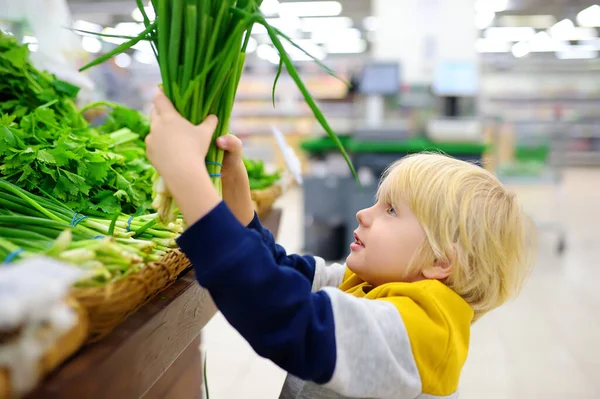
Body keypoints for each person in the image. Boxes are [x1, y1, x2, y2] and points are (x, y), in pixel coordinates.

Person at [145, 90, 536, 399]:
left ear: (440, 260)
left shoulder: (419, 335)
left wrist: (186, 175)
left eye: (392, 211)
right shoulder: (372, 287)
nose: (364, 214)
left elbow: (280, 314)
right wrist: (236, 194)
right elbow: (281, 273)